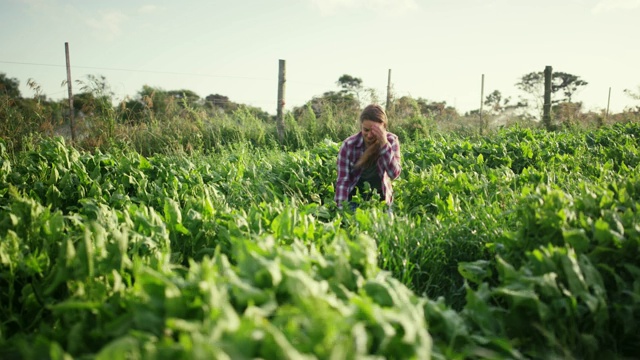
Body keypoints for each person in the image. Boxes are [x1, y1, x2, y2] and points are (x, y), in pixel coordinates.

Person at [335, 104, 401, 210]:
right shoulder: (349, 145)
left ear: (383, 128)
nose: (369, 135)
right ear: (361, 126)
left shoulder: (391, 141)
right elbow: (343, 180)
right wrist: (341, 208)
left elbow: (394, 174)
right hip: (355, 200)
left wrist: (384, 144)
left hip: (382, 199)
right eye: (366, 130)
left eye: (375, 131)